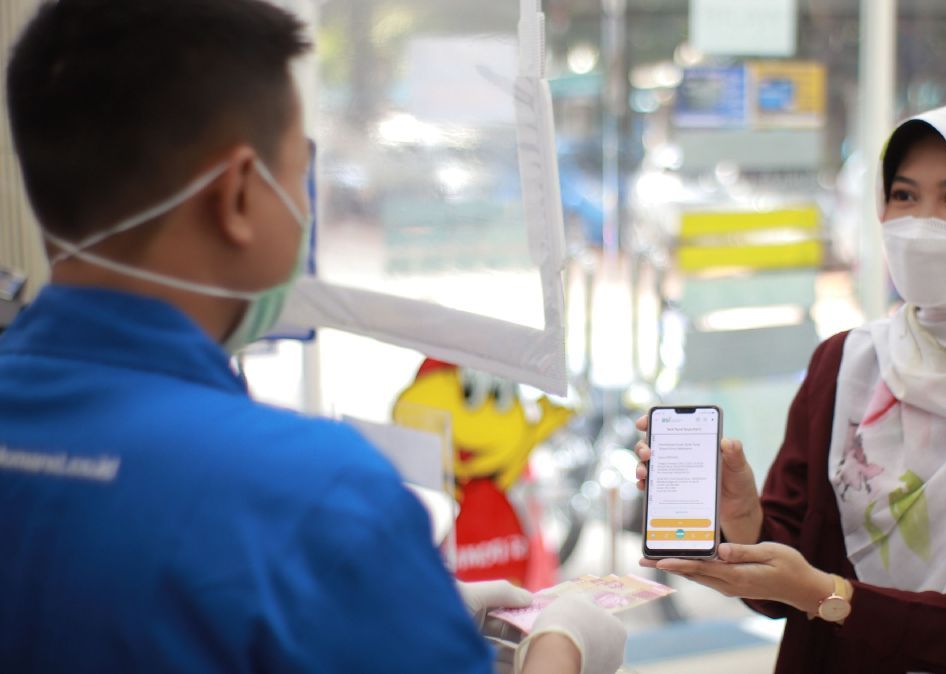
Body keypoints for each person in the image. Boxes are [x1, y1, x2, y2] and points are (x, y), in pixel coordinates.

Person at [0, 1, 625, 673]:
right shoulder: (317, 497)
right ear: (238, 194)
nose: (305, 206)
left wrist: (397, 602)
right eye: (300, 173)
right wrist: (561, 648)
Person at [636, 100, 946, 673]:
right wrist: (745, 520)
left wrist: (830, 597)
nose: (922, 223)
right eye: (903, 196)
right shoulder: (849, 364)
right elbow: (786, 584)